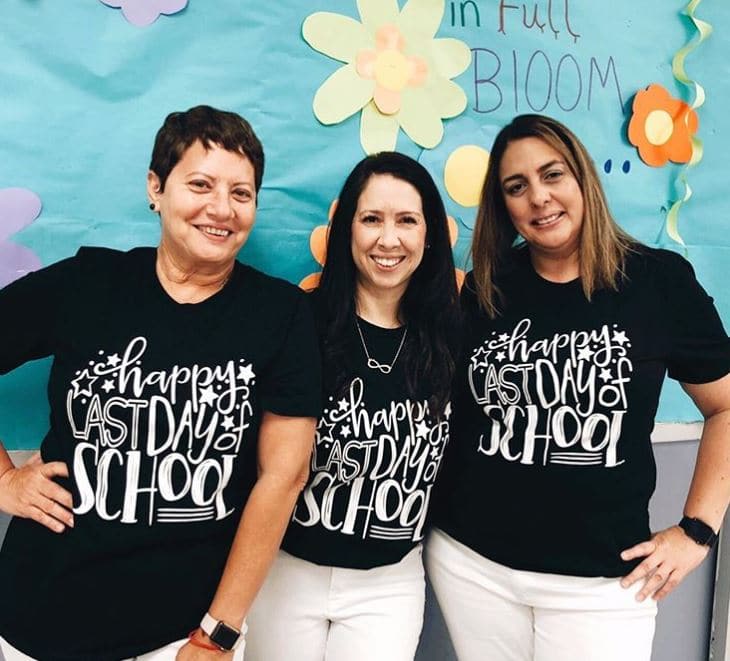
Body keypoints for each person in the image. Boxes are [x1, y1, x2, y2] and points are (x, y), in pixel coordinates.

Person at [0, 105, 321, 661]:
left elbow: (284, 477)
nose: (221, 209)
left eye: (241, 193)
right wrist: (3, 481)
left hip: (181, 636)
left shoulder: (281, 314)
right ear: (157, 188)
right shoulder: (87, 283)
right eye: (201, 184)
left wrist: (218, 634)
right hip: (40, 616)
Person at [426, 113, 730, 661]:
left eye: (553, 175)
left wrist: (699, 531)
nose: (538, 198)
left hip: (602, 583)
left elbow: (726, 406)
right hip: (471, 564)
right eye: (516, 187)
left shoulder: (657, 283)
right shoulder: (487, 289)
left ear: (582, 178)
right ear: (504, 206)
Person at [245, 152, 460, 661]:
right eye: (372, 219)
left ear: (429, 236)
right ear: (347, 230)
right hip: (285, 567)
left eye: (407, 220)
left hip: (390, 582)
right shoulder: (300, 322)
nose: (389, 239)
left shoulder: (453, 334)